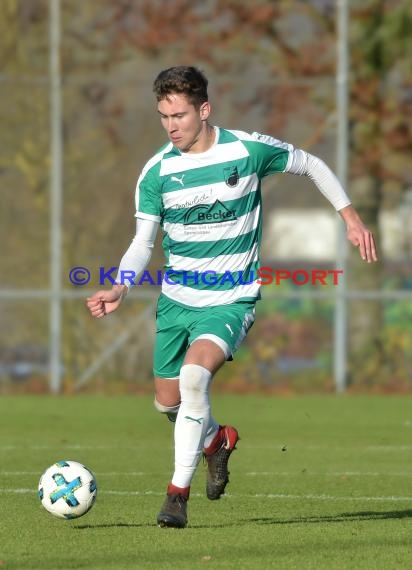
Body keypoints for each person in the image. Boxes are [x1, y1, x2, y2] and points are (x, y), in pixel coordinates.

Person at [86, 65, 378, 529]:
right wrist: (120, 283)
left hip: (230, 299)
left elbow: (312, 163)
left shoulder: (247, 149)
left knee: (195, 378)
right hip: (176, 301)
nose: (171, 125)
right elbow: (144, 241)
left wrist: (350, 218)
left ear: (204, 110)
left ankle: (176, 497)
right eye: (164, 116)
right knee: (168, 402)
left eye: (179, 114)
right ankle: (216, 441)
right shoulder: (157, 172)